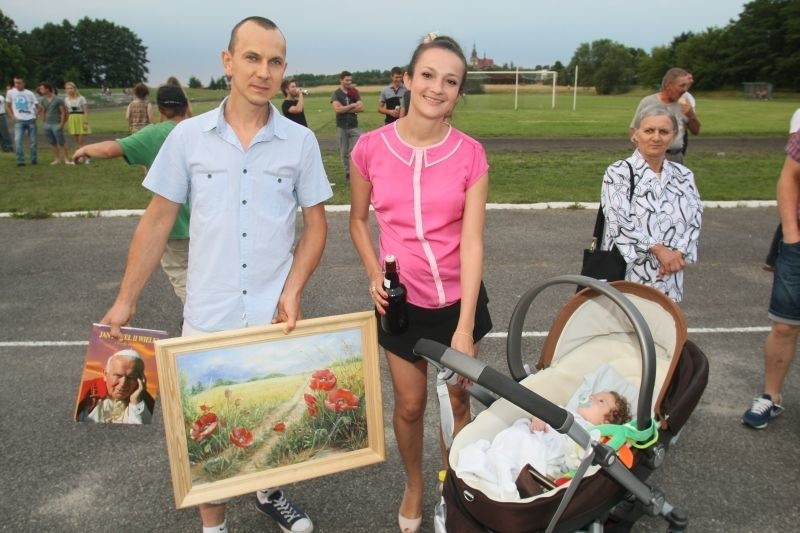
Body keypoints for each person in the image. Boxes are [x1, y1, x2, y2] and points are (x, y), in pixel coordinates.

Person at [100, 16, 331, 533]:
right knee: (210, 434)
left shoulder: (299, 143)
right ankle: (214, 526)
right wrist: (125, 300)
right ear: (228, 62)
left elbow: (316, 227)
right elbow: (158, 220)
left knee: (274, 415)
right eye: (252, 57)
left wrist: (293, 291)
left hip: (274, 314)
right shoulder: (187, 138)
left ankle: (269, 492)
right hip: (208, 313)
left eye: (274, 61)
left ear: (284, 69)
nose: (263, 71)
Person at [349, 35, 491, 533]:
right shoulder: (369, 148)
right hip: (401, 302)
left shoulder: (471, 154)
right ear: (406, 79)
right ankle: (414, 485)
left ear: (458, 93)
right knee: (409, 406)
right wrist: (373, 272)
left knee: (457, 399)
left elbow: (472, 242)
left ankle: (455, 486)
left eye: (450, 81)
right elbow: (357, 220)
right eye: (427, 75)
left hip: (459, 300)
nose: (437, 88)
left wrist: (465, 326)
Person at [72, 84, 192, 304]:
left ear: (161, 109)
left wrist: (84, 150)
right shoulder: (200, 131)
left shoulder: (154, 134)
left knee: (182, 275)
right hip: (208, 223)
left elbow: (110, 149)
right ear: (186, 106)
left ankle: (198, 322)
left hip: (174, 225)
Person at [604, 104, 703, 302]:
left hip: (669, 273)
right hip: (628, 274)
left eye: (663, 131)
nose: (656, 137)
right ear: (636, 134)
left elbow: (695, 217)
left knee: (663, 328)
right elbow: (618, 220)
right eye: (649, 130)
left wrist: (678, 253)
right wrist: (660, 251)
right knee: (627, 328)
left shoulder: (683, 175)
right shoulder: (619, 172)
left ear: (673, 135)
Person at [454, 391, 630, 499]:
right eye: (594, 394)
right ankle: (498, 471)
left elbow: (578, 455)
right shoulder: (564, 411)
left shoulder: (592, 432)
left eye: (601, 401)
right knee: (513, 437)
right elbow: (542, 413)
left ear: (606, 419)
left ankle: (504, 479)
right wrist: (538, 418)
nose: (592, 397)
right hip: (532, 437)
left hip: (546, 453)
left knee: (516, 451)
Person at [741, 126, 800, 429]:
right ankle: (770, 396)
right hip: (797, 245)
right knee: (784, 325)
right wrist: (791, 234)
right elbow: (790, 176)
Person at [629, 68, 700, 164]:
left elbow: (696, 131)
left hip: (676, 157)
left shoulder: (686, 101)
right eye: (681, 86)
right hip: (651, 157)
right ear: (668, 86)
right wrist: (642, 155)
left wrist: (691, 116)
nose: (685, 90)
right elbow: (634, 130)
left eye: (686, 86)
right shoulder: (648, 102)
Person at [75, 348, 154, 424]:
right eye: (118, 376)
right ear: (105, 374)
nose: (123, 384)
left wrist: (136, 402)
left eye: (131, 377)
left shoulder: (145, 400)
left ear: (140, 379)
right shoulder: (85, 390)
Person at [330, 70, 363, 183]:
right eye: (347, 80)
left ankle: (356, 172)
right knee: (344, 151)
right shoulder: (336, 93)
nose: (349, 82)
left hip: (354, 126)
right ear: (341, 80)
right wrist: (353, 105)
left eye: (350, 80)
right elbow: (337, 109)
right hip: (342, 126)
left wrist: (345, 108)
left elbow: (361, 108)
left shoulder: (354, 92)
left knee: (355, 150)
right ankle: (348, 173)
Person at [6, 76, 39, 167]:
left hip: (30, 119)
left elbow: (37, 106)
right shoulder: (10, 92)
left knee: (33, 142)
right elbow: (7, 105)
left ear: (23, 83)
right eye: (16, 82)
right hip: (19, 120)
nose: (17, 84)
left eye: (19, 82)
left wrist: (36, 115)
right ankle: (20, 160)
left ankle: (33, 159)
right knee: (18, 140)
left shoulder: (30, 93)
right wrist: (12, 116)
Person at [37, 82, 71, 165]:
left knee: (61, 142)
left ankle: (66, 159)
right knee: (53, 143)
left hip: (56, 123)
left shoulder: (58, 100)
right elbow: (43, 111)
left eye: (42, 88)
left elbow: (63, 112)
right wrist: (44, 121)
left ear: (47, 89)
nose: (40, 90)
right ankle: (57, 159)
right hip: (47, 124)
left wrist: (62, 124)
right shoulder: (43, 100)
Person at [64, 82, 91, 154]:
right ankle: (84, 155)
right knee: (77, 140)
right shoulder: (66, 99)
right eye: (67, 88)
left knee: (80, 140)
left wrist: (85, 122)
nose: (69, 90)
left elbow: (86, 111)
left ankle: (85, 155)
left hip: (80, 118)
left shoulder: (81, 98)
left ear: (74, 88)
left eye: (71, 88)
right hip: (72, 118)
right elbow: (67, 111)